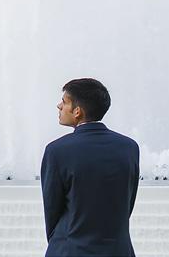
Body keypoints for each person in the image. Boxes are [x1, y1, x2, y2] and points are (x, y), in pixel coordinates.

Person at [40, 78, 140, 257]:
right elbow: (127, 204)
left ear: (77, 111)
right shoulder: (129, 148)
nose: (59, 106)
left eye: (64, 102)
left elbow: (52, 212)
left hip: (69, 250)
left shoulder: (57, 151)